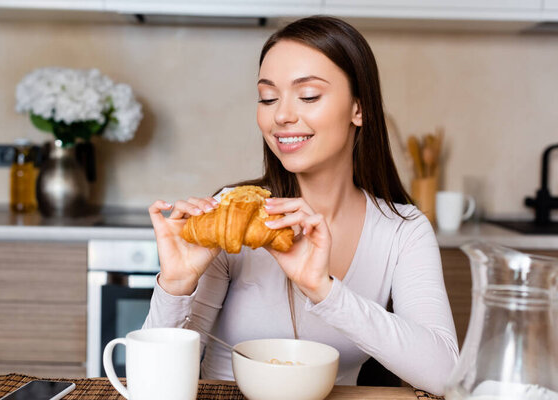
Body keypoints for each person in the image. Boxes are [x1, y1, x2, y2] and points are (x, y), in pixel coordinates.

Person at [143, 15, 458, 395]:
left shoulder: (403, 230)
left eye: (308, 95)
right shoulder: (233, 215)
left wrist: (324, 290)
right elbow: (157, 382)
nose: (281, 115)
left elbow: (444, 374)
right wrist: (175, 287)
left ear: (360, 108)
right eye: (268, 97)